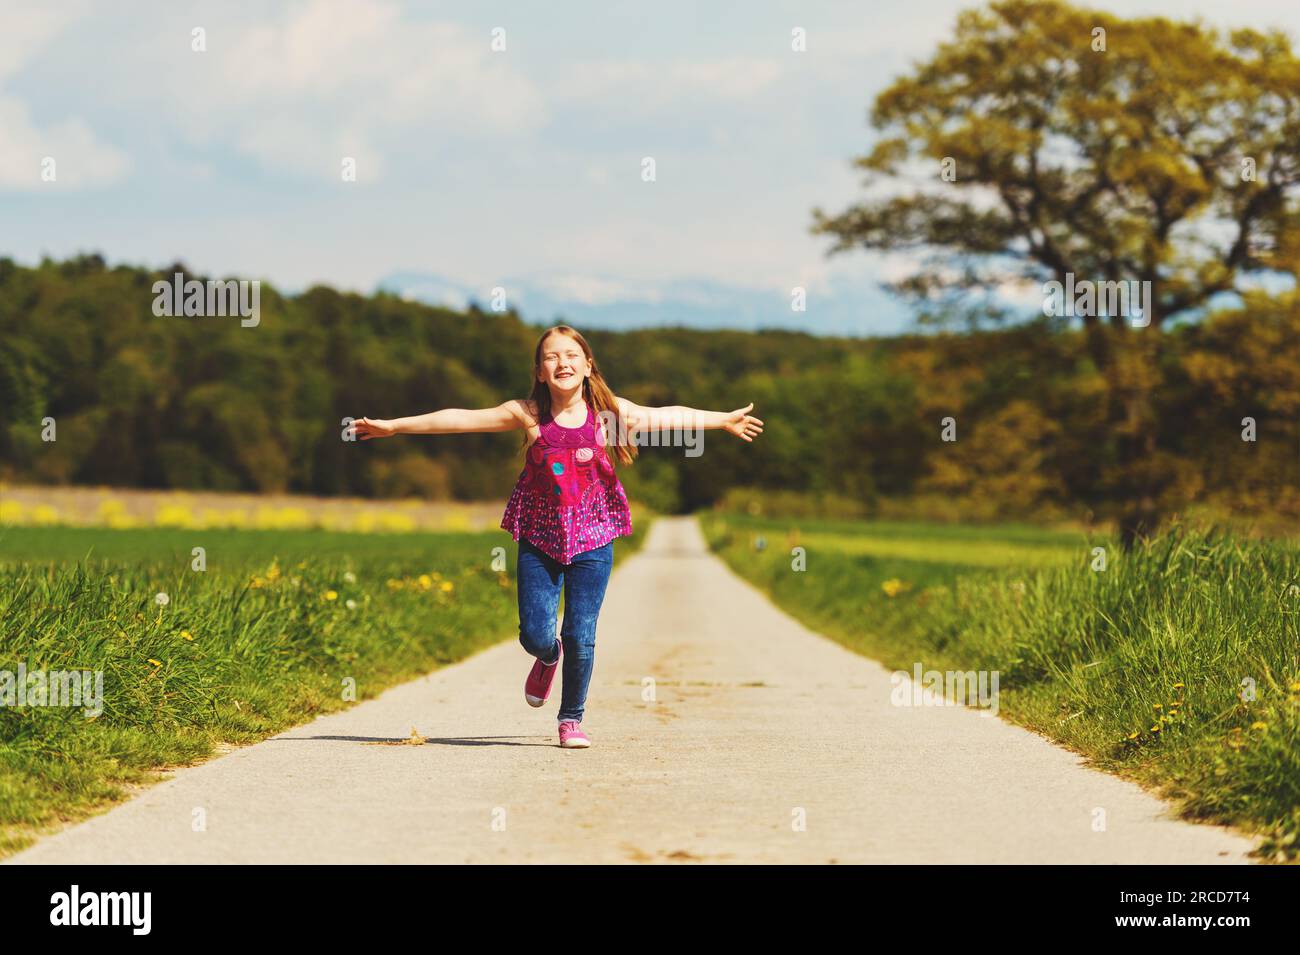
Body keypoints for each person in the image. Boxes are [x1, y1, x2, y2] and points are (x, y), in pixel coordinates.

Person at [349, 324, 763, 748]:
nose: (562, 363)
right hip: (540, 535)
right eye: (551, 357)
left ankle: (570, 719)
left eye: (570, 355)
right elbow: (460, 419)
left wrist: (721, 420)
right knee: (535, 633)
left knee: (581, 632)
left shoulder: (610, 416)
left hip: (595, 536)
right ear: (540, 371)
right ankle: (547, 658)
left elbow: (670, 415)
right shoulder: (527, 414)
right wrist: (395, 426)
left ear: (587, 366)